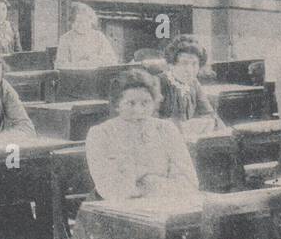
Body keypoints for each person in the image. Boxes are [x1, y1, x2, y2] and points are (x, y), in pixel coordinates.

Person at [85, 68, 199, 200]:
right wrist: (151, 182)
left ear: (154, 102)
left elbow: (188, 181)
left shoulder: (166, 129)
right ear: (117, 105)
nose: (139, 110)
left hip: (163, 202)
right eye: (130, 103)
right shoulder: (100, 134)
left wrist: (148, 183)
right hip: (113, 208)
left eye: (145, 103)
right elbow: (108, 187)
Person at [158, 34, 222, 136]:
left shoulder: (194, 83)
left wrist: (199, 124)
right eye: (184, 63)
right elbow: (151, 121)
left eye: (194, 64)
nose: (190, 70)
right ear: (171, 64)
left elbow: (208, 113)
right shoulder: (158, 83)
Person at [54, 3, 118, 69]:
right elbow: (60, 65)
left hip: (97, 75)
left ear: (91, 21)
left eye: (86, 21)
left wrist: (96, 59)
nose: (83, 25)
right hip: (75, 76)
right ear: (72, 22)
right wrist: (79, 65)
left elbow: (112, 60)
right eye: (79, 22)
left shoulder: (99, 36)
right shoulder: (65, 38)